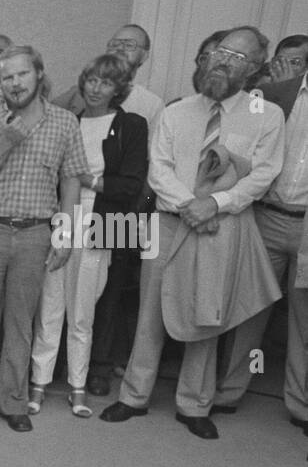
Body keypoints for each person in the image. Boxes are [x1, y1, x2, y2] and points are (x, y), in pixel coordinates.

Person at [101, 26, 285, 439]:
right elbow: (159, 166)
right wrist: (189, 204)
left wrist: (214, 204)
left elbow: (265, 174)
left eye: (237, 57)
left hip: (221, 225)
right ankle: (133, 396)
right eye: (220, 52)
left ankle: (194, 404)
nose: (223, 61)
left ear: (255, 68)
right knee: (150, 307)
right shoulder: (177, 111)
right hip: (169, 222)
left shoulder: (266, 116)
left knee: (206, 314)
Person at [0, 45, 88, 433]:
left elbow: (71, 179)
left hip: (35, 234)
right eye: (6, 77)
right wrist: (7, 140)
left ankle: (13, 402)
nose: (14, 83)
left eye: (21, 74)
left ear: (39, 74)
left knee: (21, 322)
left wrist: (64, 235)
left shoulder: (64, 122)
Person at [29, 55, 148, 417]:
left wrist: (86, 180)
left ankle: (78, 385)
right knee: (50, 305)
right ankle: (38, 382)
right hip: (61, 217)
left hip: (104, 221)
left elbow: (131, 186)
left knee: (85, 311)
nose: (96, 88)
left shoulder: (132, 125)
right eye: (92, 80)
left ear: (119, 89)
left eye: (106, 83)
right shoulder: (68, 121)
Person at [212, 57, 307, 418]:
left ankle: (301, 405)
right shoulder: (270, 95)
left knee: (304, 320)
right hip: (266, 216)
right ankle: (229, 391)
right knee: (248, 309)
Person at [51, 25, 164, 130]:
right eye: (115, 44)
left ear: (144, 56)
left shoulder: (152, 104)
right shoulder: (81, 93)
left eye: (129, 45)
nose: (120, 48)